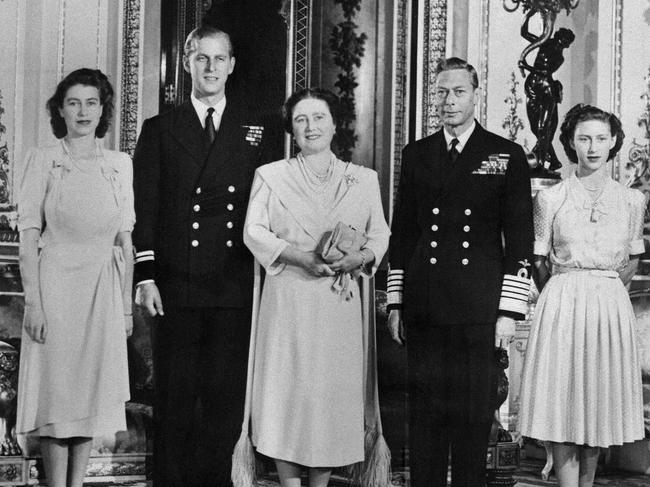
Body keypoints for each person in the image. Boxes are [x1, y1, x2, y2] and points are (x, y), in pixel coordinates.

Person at [387, 57, 534, 487]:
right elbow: (404, 233)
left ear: (475, 95)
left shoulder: (505, 154)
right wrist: (396, 300)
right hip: (426, 305)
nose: (449, 101)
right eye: (442, 92)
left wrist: (508, 312)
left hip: (479, 308)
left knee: (471, 419)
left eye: (458, 92)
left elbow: (520, 240)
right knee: (426, 418)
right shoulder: (417, 153)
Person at [132, 25, 267, 486]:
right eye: (201, 58)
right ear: (187, 63)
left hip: (232, 283)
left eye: (219, 59)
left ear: (231, 65)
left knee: (224, 401)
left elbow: (268, 207)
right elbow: (144, 207)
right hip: (176, 284)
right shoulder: (160, 129)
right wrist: (145, 275)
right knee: (175, 400)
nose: (210, 68)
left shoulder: (256, 127)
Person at [239, 87, 390, 487]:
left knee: (326, 401)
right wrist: (298, 256)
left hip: (337, 306)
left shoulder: (363, 180)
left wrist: (357, 258)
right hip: (288, 301)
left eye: (318, 117)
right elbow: (252, 231)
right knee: (288, 395)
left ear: (334, 123)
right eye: (301, 119)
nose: (311, 126)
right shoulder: (271, 176)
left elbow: (380, 236)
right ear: (291, 127)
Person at [16, 68, 133, 487]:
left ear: (102, 110)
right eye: (73, 102)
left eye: (91, 102)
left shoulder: (120, 164)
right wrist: (34, 303)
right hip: (55, 287)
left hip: (101, 290)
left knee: (87, 396)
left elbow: (126, 242)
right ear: (60, 110)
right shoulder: (42, 158)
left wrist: (124, 311)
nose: (83, 111)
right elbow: (29, 237)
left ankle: (77, 484)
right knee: (57, 395)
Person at [519, 104, 646, 487]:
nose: (592, 147)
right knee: (563, 400)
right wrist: (564, 290)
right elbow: (539, 260)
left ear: (613, 143)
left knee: (597, 402)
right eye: (584, 138)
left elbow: (633, 260)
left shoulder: (632, 201)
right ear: (570, 143)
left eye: (601, 139)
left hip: (609, 306)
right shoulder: (551, 198)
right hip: (562, 302)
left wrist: (603, 290)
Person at [519, 7, 576, 174]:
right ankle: (554, 160)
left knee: (544, 128)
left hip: (547, 89)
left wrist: (525, 65)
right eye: (561, 40)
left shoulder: (559, 57)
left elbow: (542, 71)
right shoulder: (544, 42)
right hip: (533, 86)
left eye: (565, 43)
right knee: (534, 127)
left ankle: (540, 164)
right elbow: (524, 32)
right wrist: (529, 15)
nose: (562, 44)